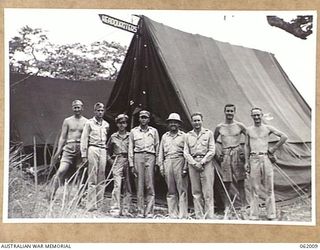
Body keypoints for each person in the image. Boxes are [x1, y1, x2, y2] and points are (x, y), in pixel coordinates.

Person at [245, 107, 288, 220]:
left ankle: (271, 214)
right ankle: (254, 214)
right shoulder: (248, 130)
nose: (256, 117)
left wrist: (273, 148)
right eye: (254, 115)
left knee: (269, 187)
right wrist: (246, 161)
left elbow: (284, 137)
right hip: (253, 158)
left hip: (265, 158)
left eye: (258, 115)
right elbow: (246, 146)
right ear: (251, 116)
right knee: (254, 187)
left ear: (262, 115)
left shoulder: (267, 128)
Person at [49, 100, 88, 200]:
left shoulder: (86, 122)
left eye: (78, 107)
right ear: (72, 108)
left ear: (82, 108)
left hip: (80, 148)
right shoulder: (67, 121)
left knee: (80, 173)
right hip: (69, 147)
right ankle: (51, 193)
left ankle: (79, 198)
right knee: (62, 170)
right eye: (75, 107)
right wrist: (58, 151)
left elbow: (87, 138)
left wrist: (85, 152)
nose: (77, 109)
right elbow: (62, 137)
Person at [214, 104, 247, 214]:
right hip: (226, 153)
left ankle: (244, 205)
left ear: (234, 112)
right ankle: (227, 206)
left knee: (240, 181)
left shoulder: (240, 126)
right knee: (227, 182)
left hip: (237, 152)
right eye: (227, 111)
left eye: (231, 111)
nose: (229, 113)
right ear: (224, 112)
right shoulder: (220, 127)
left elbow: (250, 137)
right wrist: (218, 154)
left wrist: (244, 151)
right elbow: (212, 141)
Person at [184, 112, 215, 219]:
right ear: (192, 122)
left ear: (202, 121)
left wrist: (202, 162)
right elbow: (186, 152)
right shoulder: (188, 135)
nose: (196, 123)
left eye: (198, 120)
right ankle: (199, 216)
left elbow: (212, 150)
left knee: (208, 191)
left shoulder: (208, 133)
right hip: (193, 164)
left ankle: (209, 216)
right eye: (194, 121)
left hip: (206, 163)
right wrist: (194, 163)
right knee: (196, 192)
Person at [128, 110, 160, 218]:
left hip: (150, 156)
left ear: (149, 119)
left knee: (150, 184)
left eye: (145, 117)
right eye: (141, 117)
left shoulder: (154, 131)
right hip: (138, 156)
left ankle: (150, 212)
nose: (143, 119)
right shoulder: (134, 131)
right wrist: (132, 164)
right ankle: (140, 211)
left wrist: (157, 163)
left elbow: (157, 146)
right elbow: (130, 149)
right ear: (139, 119)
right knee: (139, 185)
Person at [158, 113, 188, 219]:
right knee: (171, 190)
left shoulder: (184, 136)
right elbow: (160, 152)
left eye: (175, 122)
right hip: (168, 161)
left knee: (182, 189)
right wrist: (161, 166)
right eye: (171, 122)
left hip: (179, 160)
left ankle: (182, 214)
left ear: (179, 124)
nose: (173, 124)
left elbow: (186, 152)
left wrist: (185, 167)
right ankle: (172, 213)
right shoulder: (165, 136)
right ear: (168, 124)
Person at [80, 102, 109, 211]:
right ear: (94, 111)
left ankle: (99, 203)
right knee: (92, 176)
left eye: (102, 110)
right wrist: (84, 155)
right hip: (93, 148)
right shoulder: (89, 123)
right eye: (98, 110)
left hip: (103, 149)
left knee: (101, 176)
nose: (100, 112)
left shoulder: (106, 124)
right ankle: (91, 205)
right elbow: (84, 139)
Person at [107, 114, 133, 217]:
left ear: (126, 124)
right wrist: (110, 161)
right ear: (117, 124)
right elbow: (107, 150)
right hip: (117, 160)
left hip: (128, 159)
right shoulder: (113, 136)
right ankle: (115, 209)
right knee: (117, 185)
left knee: (128, 186)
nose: (122, 125)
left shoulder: (130, 136)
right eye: (120, 123)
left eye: (124, 122)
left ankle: (126, 209)